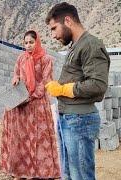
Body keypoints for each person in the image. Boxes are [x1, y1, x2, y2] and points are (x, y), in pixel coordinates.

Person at [45, 2, 110, 180]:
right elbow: (79, 78)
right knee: (69, 175)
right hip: (70, 119)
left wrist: (63, 89)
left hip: (80, 121)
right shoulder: (77, 46)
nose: (53, 35)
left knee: (80, 176)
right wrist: (58, 86)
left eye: (54, 28)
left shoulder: (90, 45)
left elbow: (97, 85)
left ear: (68, 20)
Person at [0, 30, 60, 179]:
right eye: (25, 43)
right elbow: (17, 73)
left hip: (37, 105)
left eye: (31, 42)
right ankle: (20, 171)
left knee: (38, 139)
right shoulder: (21, 58)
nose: (28, 45)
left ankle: (40, 172)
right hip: (21, 106)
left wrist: (29, 97)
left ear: (37, 42)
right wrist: (16, 78)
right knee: (21, 139)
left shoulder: (46, 60)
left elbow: (45, 82)